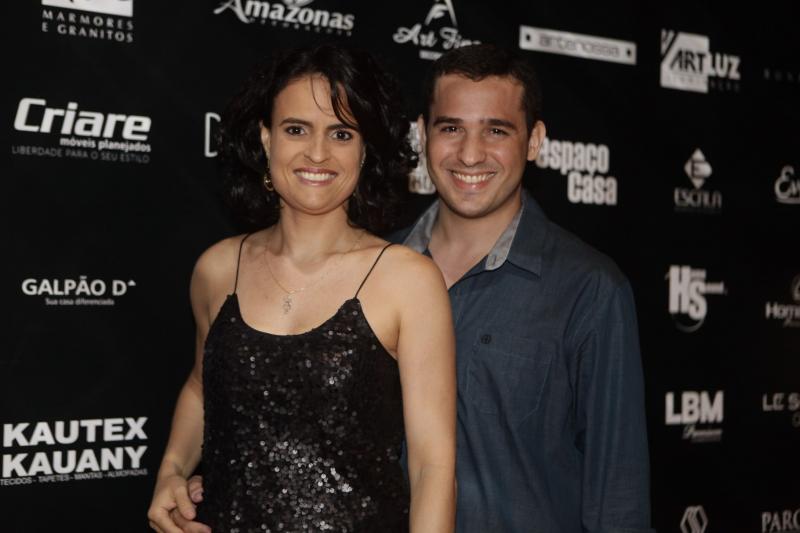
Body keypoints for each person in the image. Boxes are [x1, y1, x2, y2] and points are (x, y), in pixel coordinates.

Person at [169, 43, 653, 533]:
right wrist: (216, 475)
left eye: (496, 130)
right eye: (451, 128)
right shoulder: (380, 268)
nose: (470, 153)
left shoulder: (590, 289)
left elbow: (620, 500)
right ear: (421, 135)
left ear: (534, 141)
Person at [147, 44, 456, 533]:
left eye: (341, 133)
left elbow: (432, 467)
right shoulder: (218, 268)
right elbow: (200, 388)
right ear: (266, 138)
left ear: (364, 150)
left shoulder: (407, 280)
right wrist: (171, 470)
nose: (317, 153)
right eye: (296, 129)